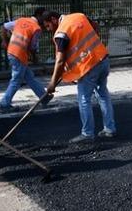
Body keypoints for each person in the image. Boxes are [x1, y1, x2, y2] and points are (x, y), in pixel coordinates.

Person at [43, 11, 116, 142]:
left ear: (53, 19)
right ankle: (109, 129)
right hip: (102, 58)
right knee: (103, 95)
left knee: (84, 99)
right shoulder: (79, 16)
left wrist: (52, 83)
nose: (48, 30)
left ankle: (87, 134)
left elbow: (60, 61)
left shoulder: (61, 33)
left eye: (48, 26)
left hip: (89, 67)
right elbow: (94, 28)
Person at [0, 7, 52, 112]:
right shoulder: (36, 28)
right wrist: (35, 58)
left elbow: (3, 27)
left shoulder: (21, 20)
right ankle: (4, 104)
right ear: (39, 15)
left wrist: (5, 41)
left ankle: (44, 97)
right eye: (44, 17)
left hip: (12, 52)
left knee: (29, 77)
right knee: (16, 80)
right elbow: (32, 46)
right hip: (19, 54)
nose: (45, 20)